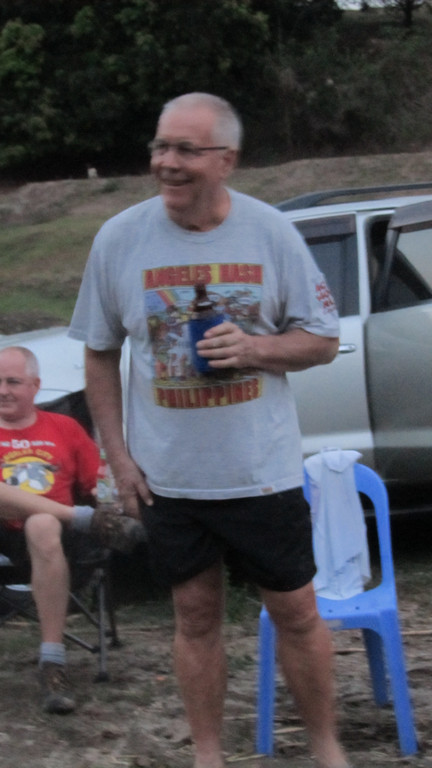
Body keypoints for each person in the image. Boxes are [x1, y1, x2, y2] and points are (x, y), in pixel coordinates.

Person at [69, 92, 350, 768]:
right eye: (160, 146)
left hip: (262, 472)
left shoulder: (270, 233)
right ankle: (208, 756)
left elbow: (321, 339)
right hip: (169, 479)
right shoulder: (119, 238)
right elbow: (99, 353)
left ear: (226, 160)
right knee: (194, 616)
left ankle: (326, 748)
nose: (166, 162)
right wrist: (119, 460)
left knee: (297, 613)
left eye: (186, 150)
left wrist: (254, 348)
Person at [0, 345, 145, 714]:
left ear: (35, 386)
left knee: (43, 522)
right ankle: (79, 518)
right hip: (4, 535)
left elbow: (99, 483)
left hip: (58, 544)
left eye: (12, 382)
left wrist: (115, 499)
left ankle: (52, 663)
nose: (2, 391)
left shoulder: (64, 428)